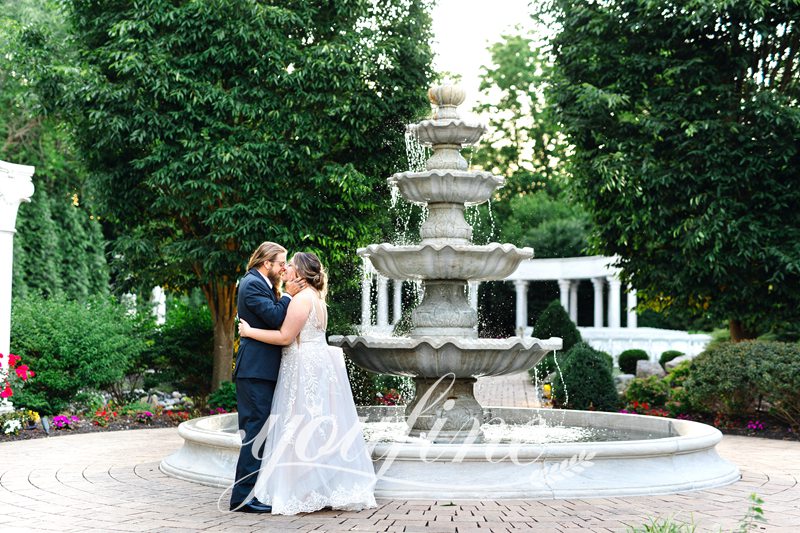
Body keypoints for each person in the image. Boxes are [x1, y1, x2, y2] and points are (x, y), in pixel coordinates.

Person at [238, 252, 377, 515]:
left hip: (303, 367)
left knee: (299, 426)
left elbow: (284, 336)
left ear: (300, 273)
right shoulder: (317, 299)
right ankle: (319, 487)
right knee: (316, 426)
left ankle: (301, 490)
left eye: (289, 266)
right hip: (315, 364)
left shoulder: (301, 299)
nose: (286, 269)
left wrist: (248, 331)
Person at [230, 242, 305, 514]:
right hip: (255, 372)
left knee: (260, 431)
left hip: (261, 371)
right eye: (281, 263)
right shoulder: (252, 284)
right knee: (255, 433)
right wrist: (287, 296)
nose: (284, 268)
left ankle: (251, 493)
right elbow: (274, 318)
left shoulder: (261, 283)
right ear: (267, 264)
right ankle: (242, 498)